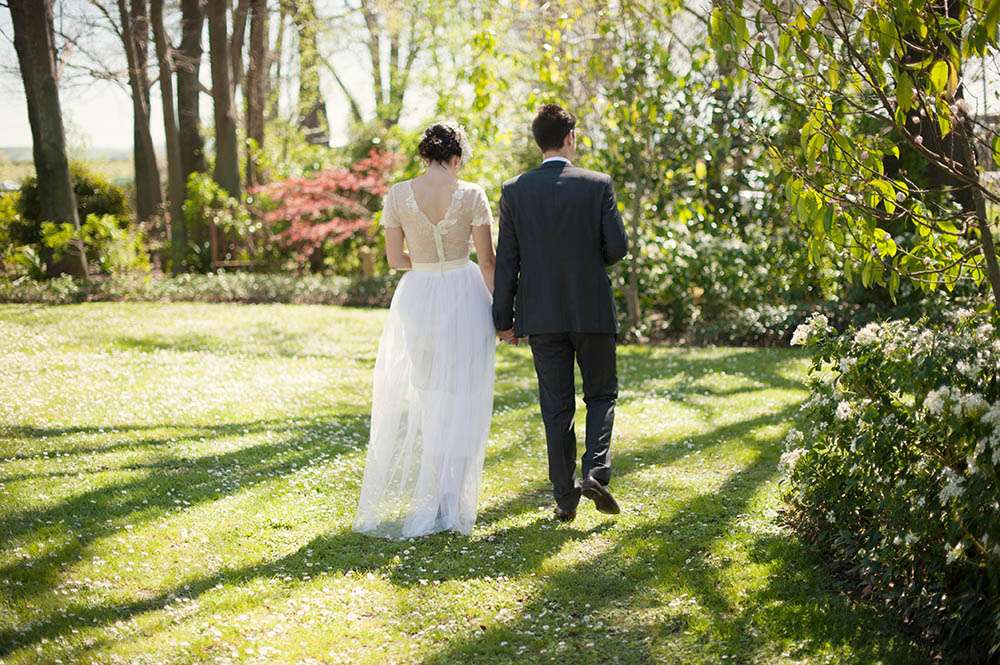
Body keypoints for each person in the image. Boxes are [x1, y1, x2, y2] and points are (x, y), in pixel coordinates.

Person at [353, 123, 497, 539]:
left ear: (424, 156)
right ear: (456, 158)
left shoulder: (398, 194)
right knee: (464, 394)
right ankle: (453, 499)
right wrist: (505, 314)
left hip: (418, 297)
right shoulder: (471, 194)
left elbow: (394, 260)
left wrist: (427, 267)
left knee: (431, 393)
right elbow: (488, 262)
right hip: (465, 294)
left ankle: (435, 495)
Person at [493, 104, 629, 522]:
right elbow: (617, 248)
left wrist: (503, 320)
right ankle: (596, 473)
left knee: (556, 407)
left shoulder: (514, 191)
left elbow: (507, 261)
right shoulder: (597, 184)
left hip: (542, 315)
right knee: (601, 394)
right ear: (570, 138)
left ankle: (564, 498)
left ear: (538, 142)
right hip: (592, 310)